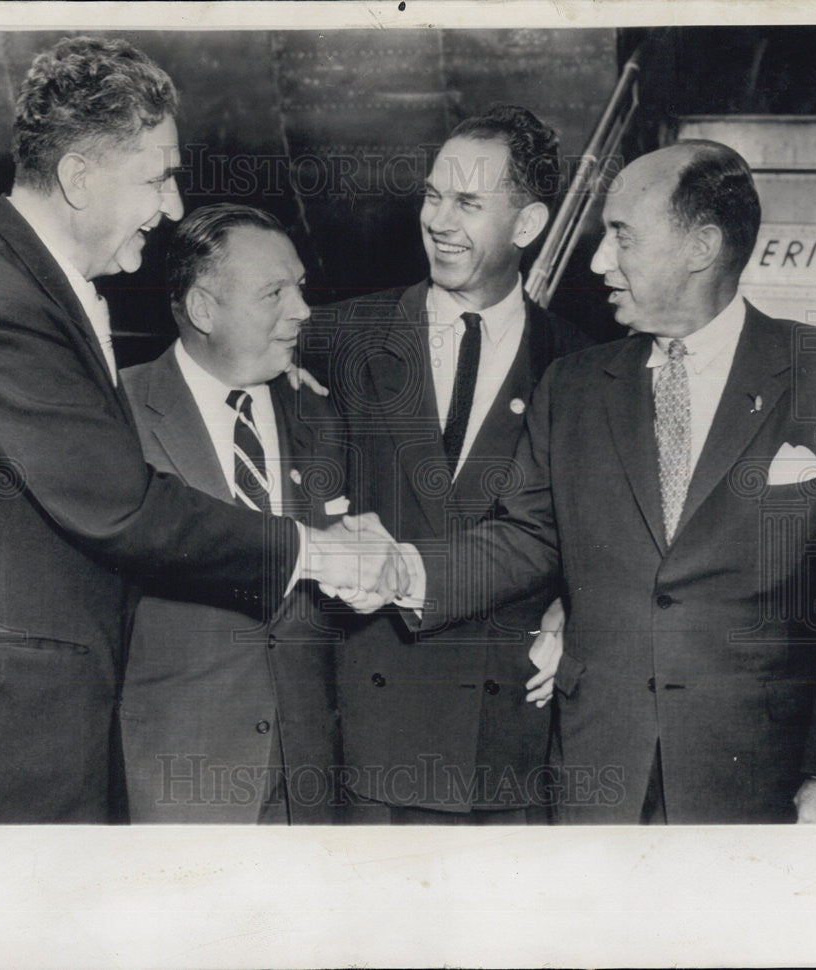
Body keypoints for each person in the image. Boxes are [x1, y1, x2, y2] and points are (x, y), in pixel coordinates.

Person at [0, 36, 400, 823]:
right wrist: (317, 547)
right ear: (78, 176)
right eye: (159, 176)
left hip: (39, 717)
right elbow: (126, 510)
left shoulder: (29, 285)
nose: (172, 207)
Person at [408, 140, 816, 823]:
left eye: (621, 237)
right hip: (597, 777)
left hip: (763, 786)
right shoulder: (572, 386)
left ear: (701, 246)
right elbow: (524, 539)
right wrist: (397, 570)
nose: (599, 262)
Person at [304, 105, 592, 823]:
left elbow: (611, 533)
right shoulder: (334, 339)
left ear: (527, 226)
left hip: (509, 758)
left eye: (468, 202)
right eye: (433, 196)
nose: (438, 220)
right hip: (360, 748)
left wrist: (577, 612)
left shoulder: (583, 365)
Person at [118, 205, 347, 823]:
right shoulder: (118, 413)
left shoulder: (318, 412)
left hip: (309, 780)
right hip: (178, 778)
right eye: (275, 292)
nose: (301, 309)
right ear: (202, 309)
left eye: (300, 287)